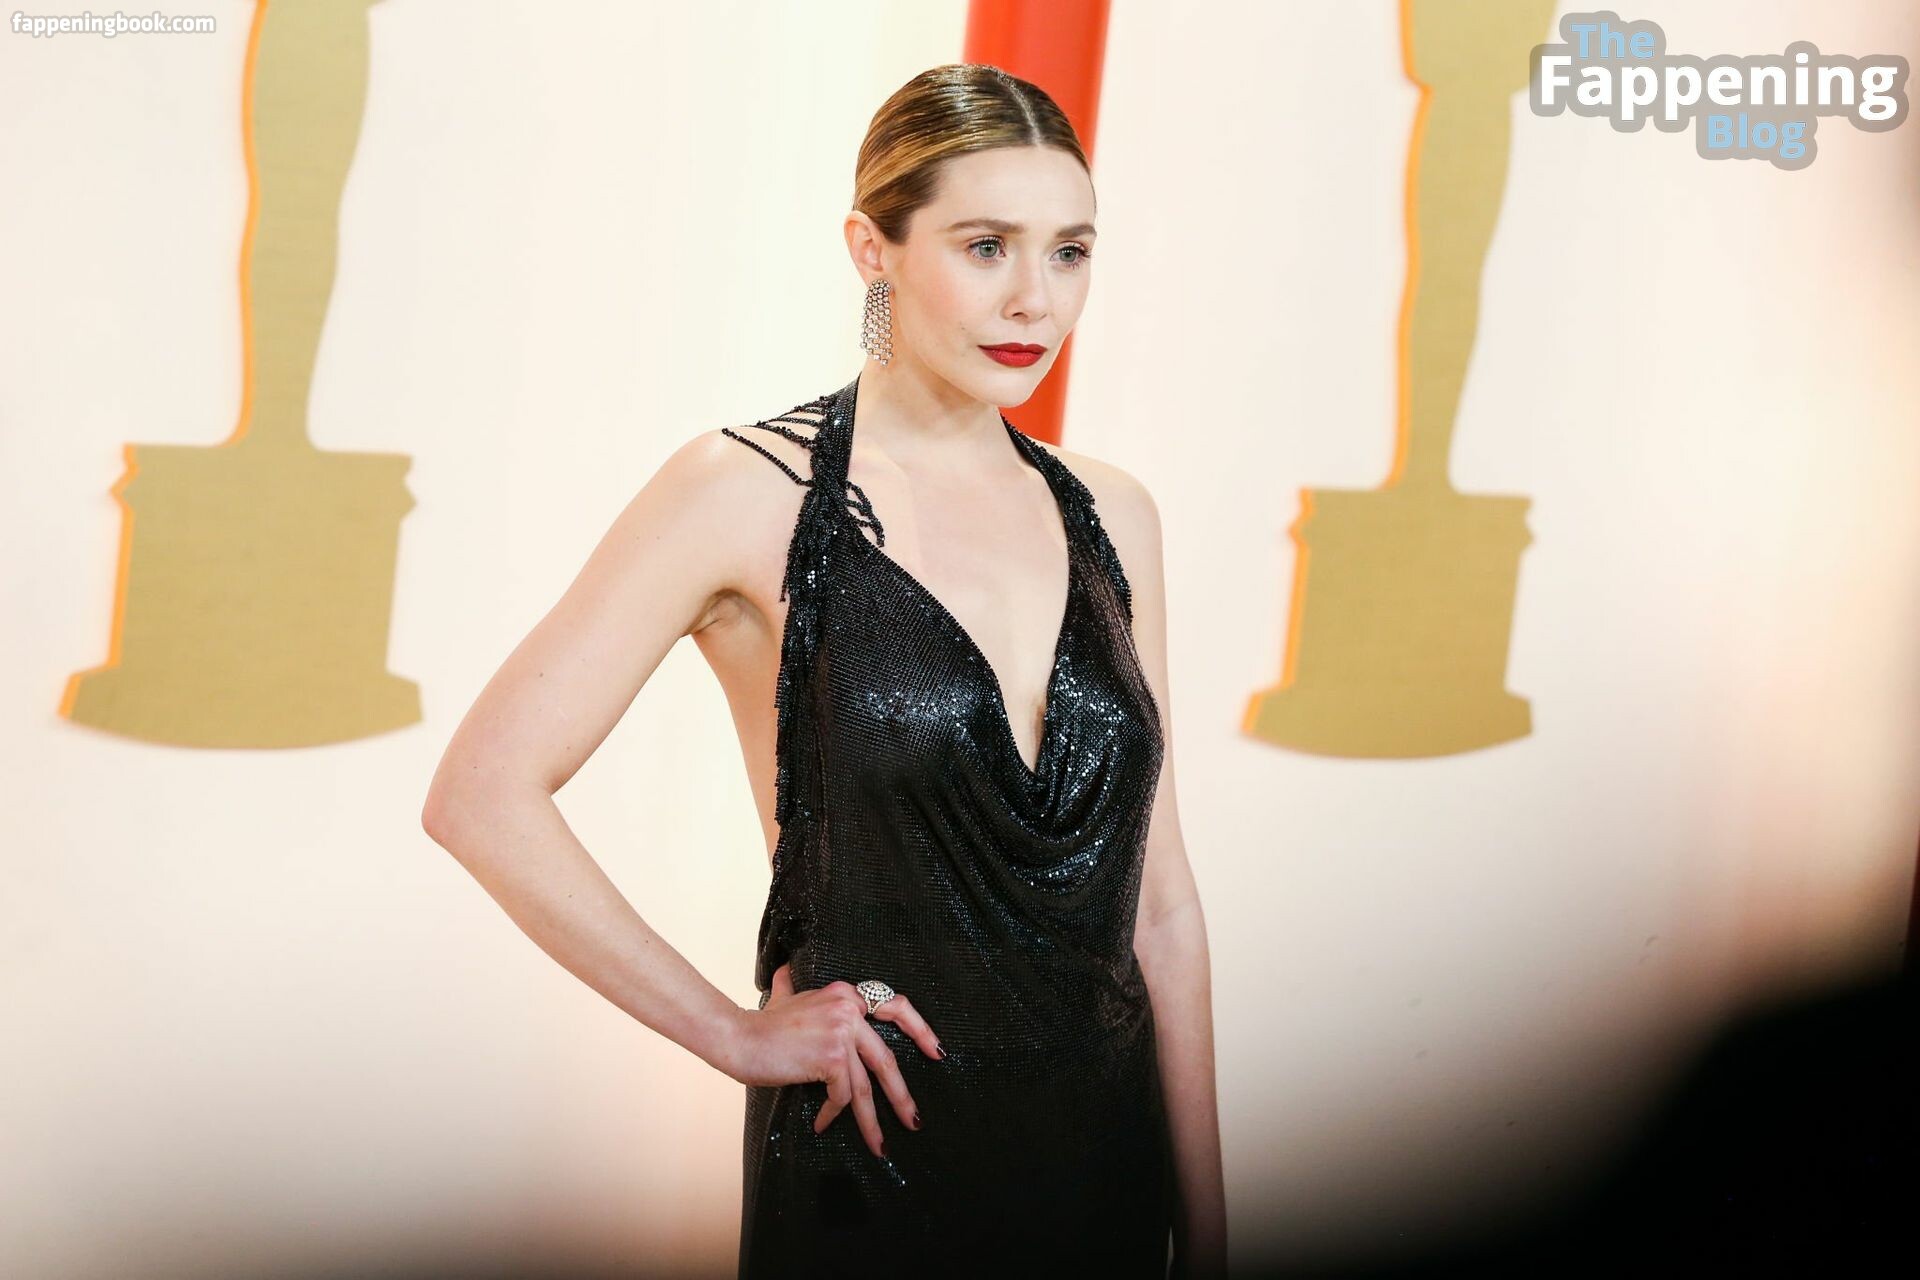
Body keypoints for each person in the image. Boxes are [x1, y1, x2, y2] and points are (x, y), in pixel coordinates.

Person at [422, 63, 1224, 1278]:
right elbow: (481, 793)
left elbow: (1160, 905)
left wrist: (1209, 1225)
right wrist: (732, 1032)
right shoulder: (742, 492)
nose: (1036, 298)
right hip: (874, 1165)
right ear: (872, 249)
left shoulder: (1116, 514)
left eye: (1070, 252)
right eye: (986, 246)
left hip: (1104, 1165)